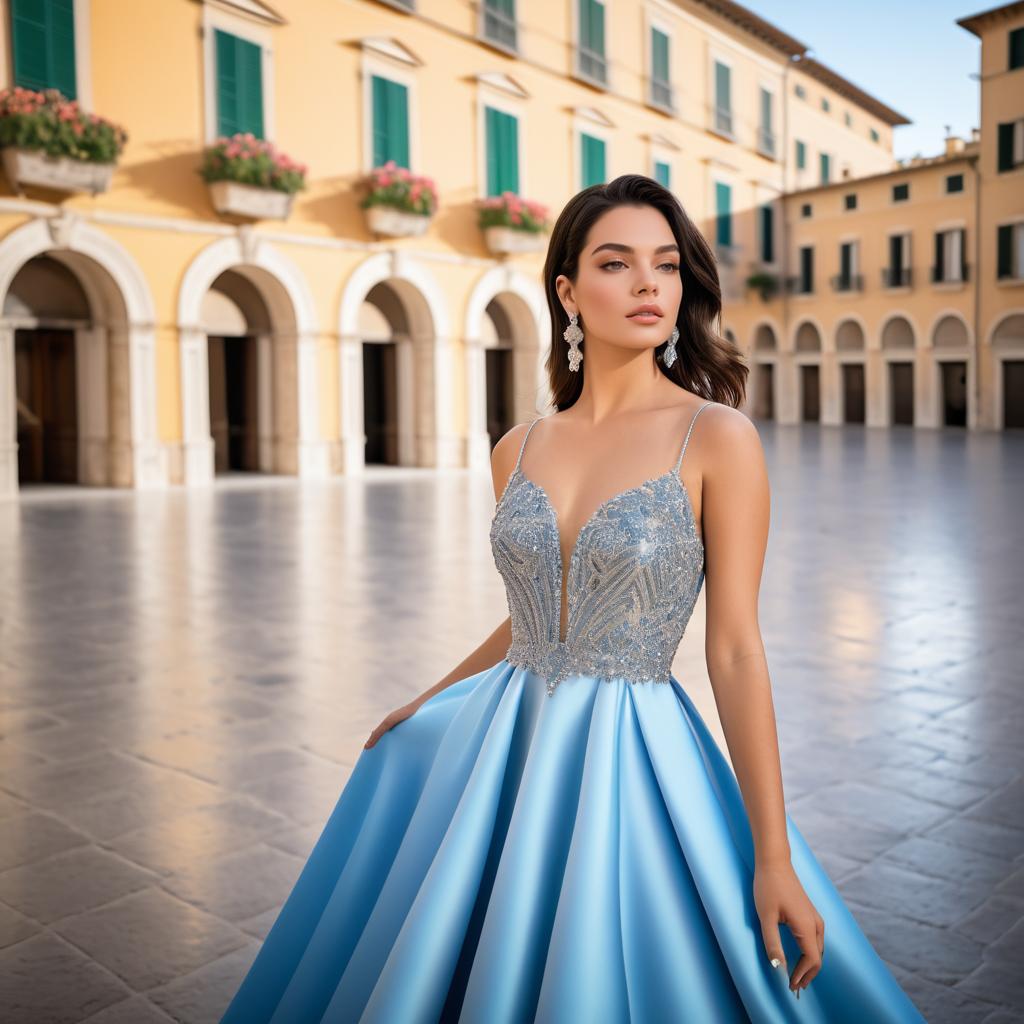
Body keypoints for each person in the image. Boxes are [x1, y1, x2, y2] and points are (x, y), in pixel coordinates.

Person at [219, 175, 926, 1022]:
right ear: (567, 290)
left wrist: (775, 855)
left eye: (666, 266)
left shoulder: (717, 437)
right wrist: (428, 700)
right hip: (502, 739)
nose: (648, 286)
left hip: (629, 752)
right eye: (617, 263)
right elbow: (533, 616)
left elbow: (735, 647)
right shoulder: (517, 446)